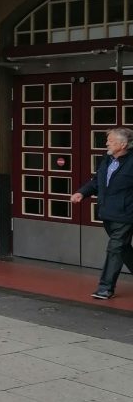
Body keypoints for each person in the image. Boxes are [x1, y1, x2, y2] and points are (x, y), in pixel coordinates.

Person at [71, 126, 133, 300]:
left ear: (123, 144)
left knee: (115, 248)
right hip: (106, 212)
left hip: (126, 214)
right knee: (123, 248)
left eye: (111, 141)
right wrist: (81, 193)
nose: (107, 143)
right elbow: (97, 181)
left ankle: (105, 288)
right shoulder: (106, 159)